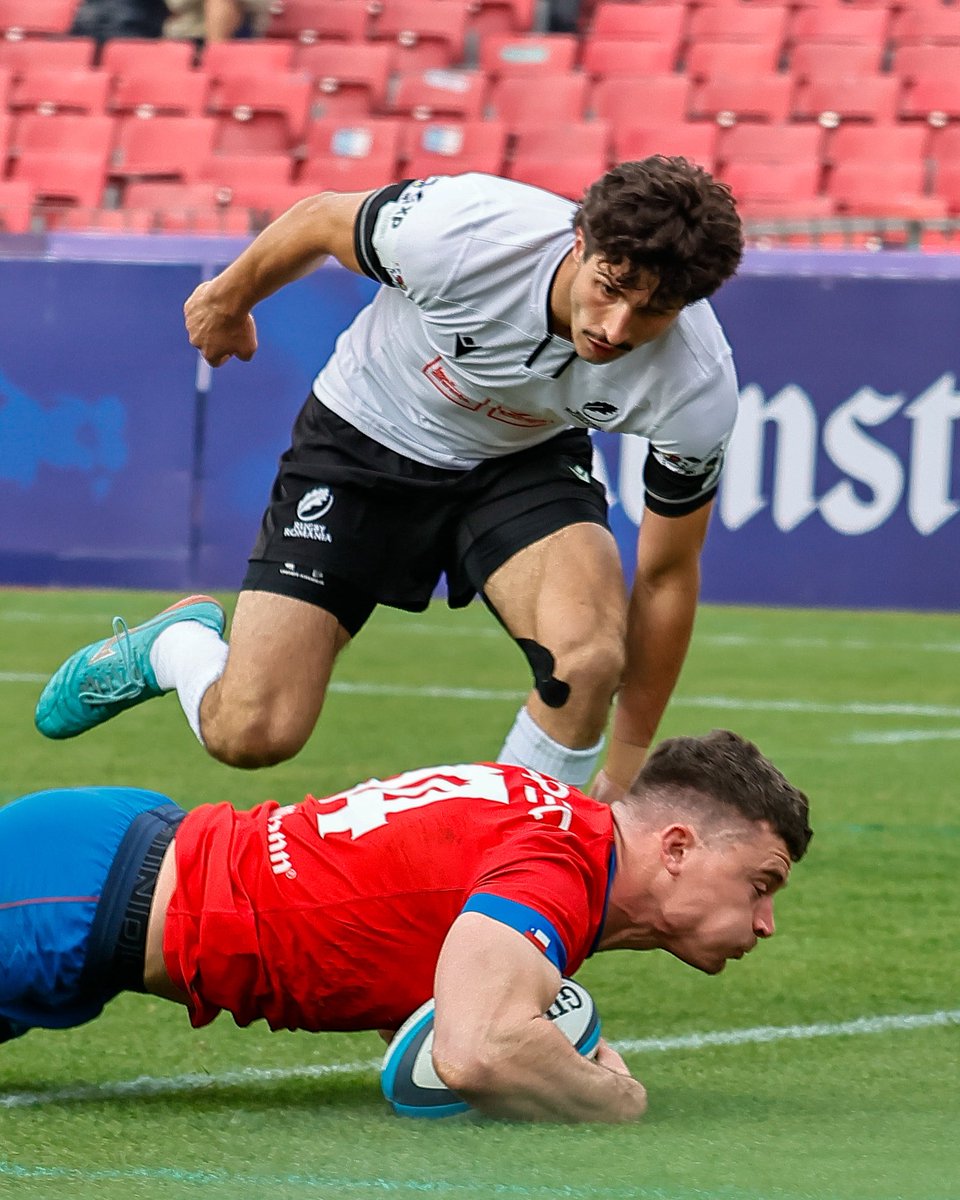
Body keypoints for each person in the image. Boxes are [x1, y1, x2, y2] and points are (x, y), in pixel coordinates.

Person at [35, 160, 745, 800]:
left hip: (522, 460)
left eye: (653, 311)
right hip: (364, 441)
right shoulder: (465, 232)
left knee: (586, 660)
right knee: (252, 734)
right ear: (580, 242)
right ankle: (175, 645)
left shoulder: (697, 383)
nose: (617, 328)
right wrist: (228, 299)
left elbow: (667, 575)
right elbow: (318, 220)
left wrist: (623, 767)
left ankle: (511, 870)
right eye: (611, 289)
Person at [0, 730, 811, 1123]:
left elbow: (421, 968)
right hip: (77, 896)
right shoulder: (558, 865)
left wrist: (555, 1050)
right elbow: (474, 1053)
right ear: (676, 847)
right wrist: (616, 1100)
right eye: (760, 884)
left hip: (103, 879)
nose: (766, 922)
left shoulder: (557, 825)